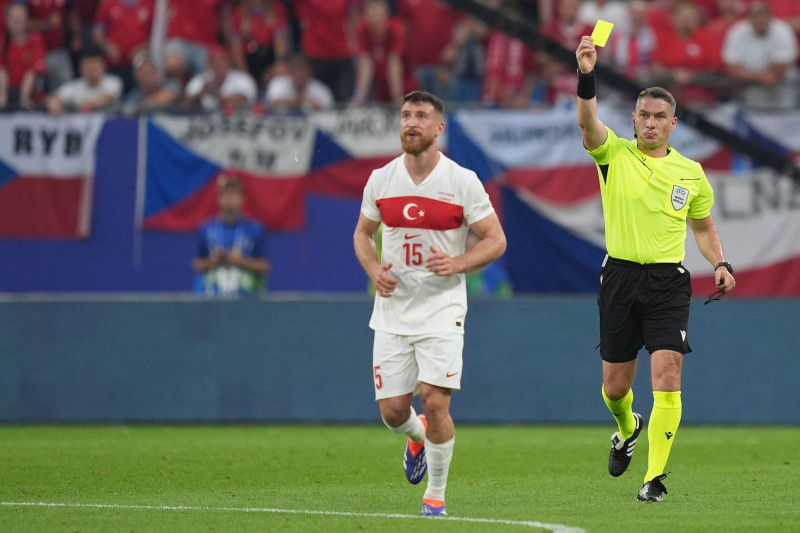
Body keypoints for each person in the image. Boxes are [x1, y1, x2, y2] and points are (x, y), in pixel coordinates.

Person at [575, 35, 736, 502]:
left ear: (673, 123)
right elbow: (587, 122)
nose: (650, 123)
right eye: (643, 115)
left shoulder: (691, 173)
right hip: (620, 278)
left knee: (667, 375)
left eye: (659, 117)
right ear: (634, 120)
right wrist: (587, 73)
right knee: (614, 387)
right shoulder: (614, 154)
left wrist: (720, 262)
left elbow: (703, 228)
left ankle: (654, 479)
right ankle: (627, 427)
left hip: (669, 281)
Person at [353, 91, 506, 516]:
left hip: (442, 310)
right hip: (393, 311)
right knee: (392, 411)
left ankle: (435, 497)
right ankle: (414, 434)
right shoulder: (381, 179)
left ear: (439, 128)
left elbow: (496, 240)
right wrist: (372, 269)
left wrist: (457, 262)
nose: (411, 122)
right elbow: (362, 235)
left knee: (435, 400)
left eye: (421, 116)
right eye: (405, 115)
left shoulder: (462, 181)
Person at [193, 175, 270, 297]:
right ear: (219, 198)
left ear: (242, 198)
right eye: (226, 195)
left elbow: (264, 266)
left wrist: (238, 261)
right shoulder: (207, 228)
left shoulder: (255, 229)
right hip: (212, 299)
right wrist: (215, 260)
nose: (230, 200)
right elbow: (197, 264)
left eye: (234, 195)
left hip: (245, 298)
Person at [721, 1, 798, 110]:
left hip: (782, 95)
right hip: (748, 94)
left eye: (763, 16)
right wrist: (760, 76)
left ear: (770, 16)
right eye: (756, 17)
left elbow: (776, 72)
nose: (760, 20)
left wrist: (752, 75)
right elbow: (731, 68)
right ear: (749, 18)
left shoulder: (782, 30)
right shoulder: (737, 32)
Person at [351, 0, 406, 107]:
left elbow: (394, 60)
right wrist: (360, 95)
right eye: (371, 12)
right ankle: (360, 97)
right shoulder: (363, 29)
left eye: (377, 12)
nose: (375, 16)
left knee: (394, 64)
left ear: (385, 12)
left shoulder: (395, 28)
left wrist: (397, 93)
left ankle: (398, 98)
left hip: (399, 79)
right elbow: (364, 60)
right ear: (365, 14)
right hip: (375, 82)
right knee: (365, 64)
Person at [92, 0, 154, 93]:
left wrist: (143, 48)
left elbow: (157, 35)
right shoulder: (108, 4)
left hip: (139, 66)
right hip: (114, 65)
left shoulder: (149, 4)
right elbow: (97, 33)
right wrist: (108, 47)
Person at [46, 46, 123, 114]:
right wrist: (54, 105)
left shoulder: (113, 82)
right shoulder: (75, 86)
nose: (91, 72)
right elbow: (54, 97)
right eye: (87, 68)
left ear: (103, 67)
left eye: (94, 68)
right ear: (81, 69)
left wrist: (89, 105)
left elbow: (107, 97)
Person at [0, 2, 47, 110]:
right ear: (7, 21)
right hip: (7, 88)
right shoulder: (3, 42)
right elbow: (1, 70)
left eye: (20, 20)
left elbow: (33, 70)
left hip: (29, 89)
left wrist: (24, 98)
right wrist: (2, 95)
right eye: (14, 20)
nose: (17, 23)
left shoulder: (35, 40)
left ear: (26, 21)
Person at [183, 45, 257, 112]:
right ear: (208, 64)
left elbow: (242, 102)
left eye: (221, 62)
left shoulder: (243, 79)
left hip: (237, 121)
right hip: (206, 121)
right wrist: (201, 93)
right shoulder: (199, 81)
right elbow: (185, 104)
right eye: (215, 63)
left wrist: (216, 95)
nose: (219, 67)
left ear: (228, 62)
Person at [263, 52, 334, 111]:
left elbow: (329, 111)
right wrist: (295, 101)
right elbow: (271, 102)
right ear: (290, 72)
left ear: (310, 72)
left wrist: (317, 108)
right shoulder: (278, 83)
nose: (299, 75)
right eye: (296, 70)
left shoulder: (321, 90)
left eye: (302, 71)